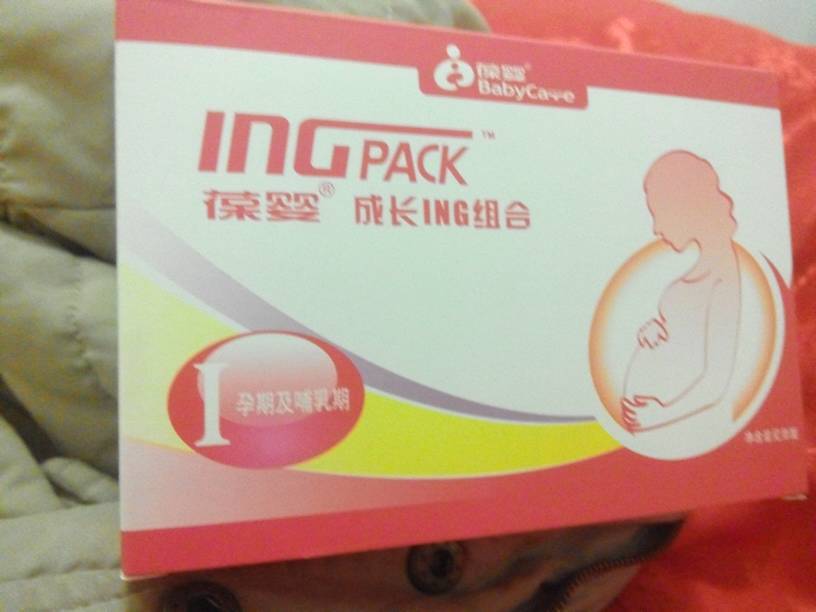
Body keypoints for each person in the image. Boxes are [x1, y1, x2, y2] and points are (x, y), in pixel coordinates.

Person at [622, 152, 741, 432]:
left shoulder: (724, 278)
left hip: (678, 425)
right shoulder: (701, 265)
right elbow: (686, 331)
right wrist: (657, 328)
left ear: (686, 207)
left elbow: (717, 380)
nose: (656, 228)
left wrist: (659, 416)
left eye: (658, 215)